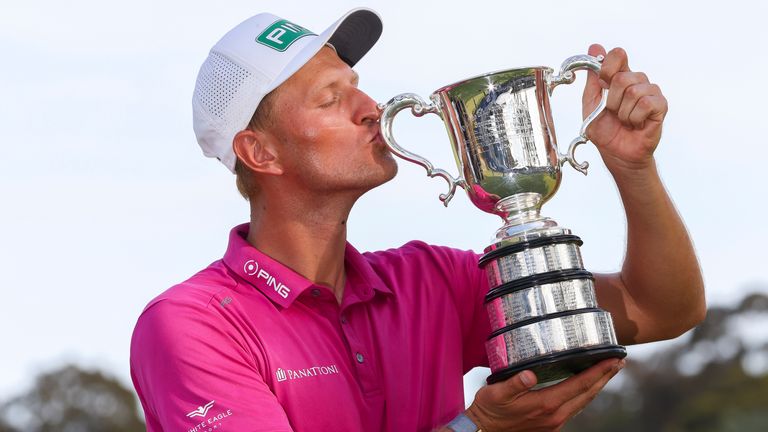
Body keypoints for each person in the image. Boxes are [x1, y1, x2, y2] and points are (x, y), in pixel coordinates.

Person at [129, 7, 705, 432]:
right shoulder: (189, 326)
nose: (370, 109)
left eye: (356, 87)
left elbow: (661, 309)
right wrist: (476, 429)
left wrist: (633, 167)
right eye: (331, 100)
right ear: (262, 153)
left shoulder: (429, 280)